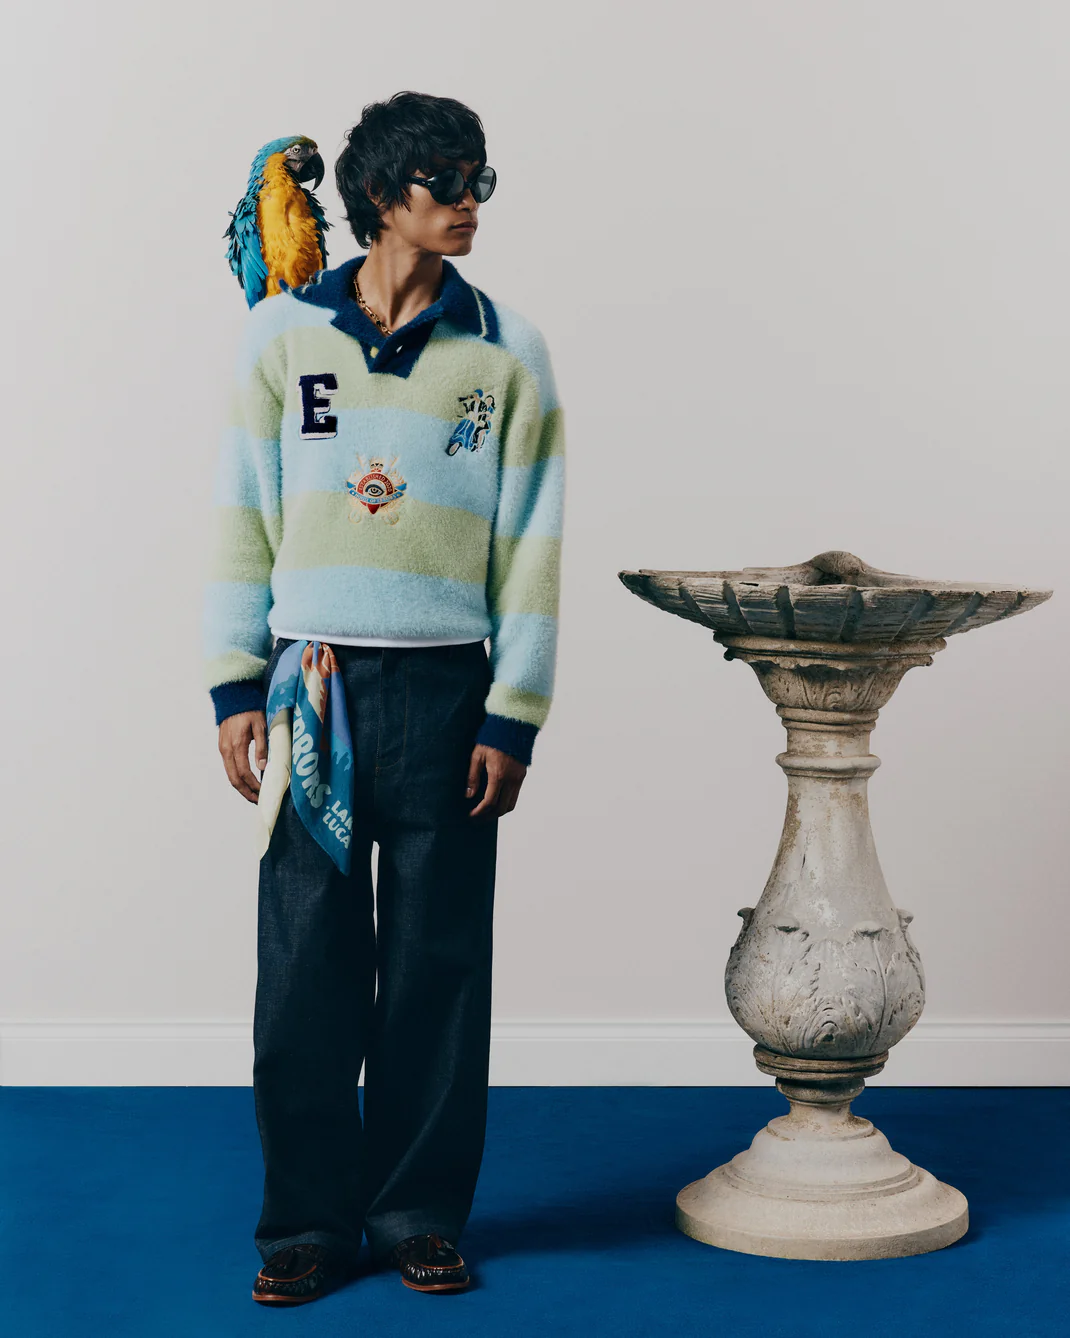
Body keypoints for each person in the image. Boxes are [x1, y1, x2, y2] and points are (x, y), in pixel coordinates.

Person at [202, 91, 565, 1305]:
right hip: (310, 690)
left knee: (435, 967)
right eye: (444, 184)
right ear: (378, 196)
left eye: (477, 182)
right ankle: (306, 1223)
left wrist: (513, 710)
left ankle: (416, 1212)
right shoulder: (279, 337)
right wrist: (231, 684)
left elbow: (532, 539)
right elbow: (242, 513)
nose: (468, 205)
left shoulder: (507, 350)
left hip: (448, 690)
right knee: (303, 965)